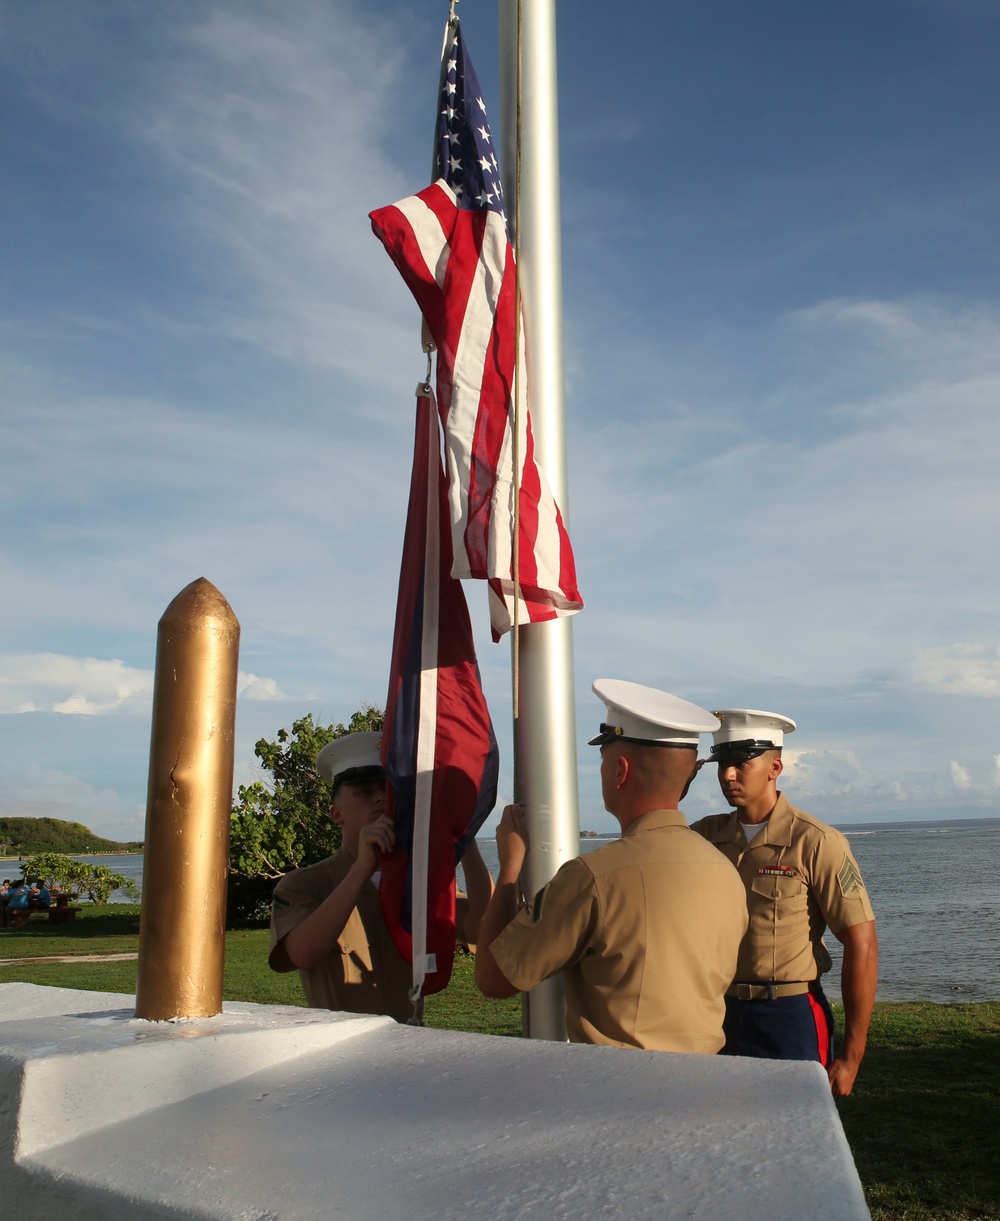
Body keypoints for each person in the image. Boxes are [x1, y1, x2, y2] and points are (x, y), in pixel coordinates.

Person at [475, 679, 748, 1052]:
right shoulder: (724, 870)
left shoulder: (594, 877)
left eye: (602, 760)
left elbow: (493, 978)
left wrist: (510, 868)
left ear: (620, 771)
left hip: (622, 1092)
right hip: (705, 1088)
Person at [690, 709, 878, 1096]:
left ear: (775, 767)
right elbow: (653, 839)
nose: (728, 775)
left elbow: (862, 944)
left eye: (742, 763)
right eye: (722, 764)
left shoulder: (816, 842)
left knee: (798, 1142)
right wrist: (676, 785)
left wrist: (852, 1057)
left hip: (788, 1016)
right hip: (715, 1014)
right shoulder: (703, 837)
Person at [269, 730, 493, 1021]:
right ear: (336, 814)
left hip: (409, 1046)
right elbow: (302, 954)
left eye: (388, 791)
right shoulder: (306, 884)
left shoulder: (418, 880)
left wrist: (466, 839)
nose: (379, 800)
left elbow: (482, 925)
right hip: (340, 1051)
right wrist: (362, 868)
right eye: (364, 792)